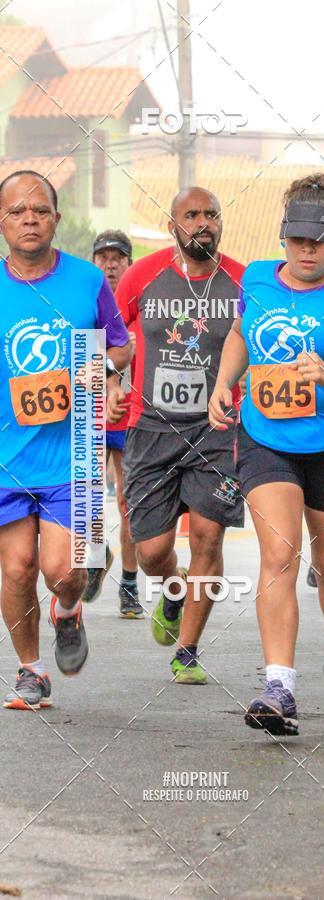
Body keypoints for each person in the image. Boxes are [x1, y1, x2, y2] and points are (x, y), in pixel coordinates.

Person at [209, 172, 324, 736]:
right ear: (283, 237)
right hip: (267, 440)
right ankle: (279, 686)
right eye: (297, 240)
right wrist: (225, 380)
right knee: (279, 554)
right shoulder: (258, 278)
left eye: (318, 240)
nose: (306, 250)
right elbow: (243, 332)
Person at [0, 170, 131, 710]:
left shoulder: (86, 281)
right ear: (2, 222)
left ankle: (69, 609)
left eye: (40, 210)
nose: (29, 219)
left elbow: (119, 349)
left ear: (55, 218)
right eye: (16, 211)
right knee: (15, 569)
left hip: (75, 450)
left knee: (65, 571)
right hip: (6, 457)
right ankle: (31, 671)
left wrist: (97, 370)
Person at [108, 187, 244, 684]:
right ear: (173, 226)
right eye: (192, 215)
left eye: (211, 213)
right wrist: (108, 381)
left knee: (207, 536)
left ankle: (187, 651)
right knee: (151, 552)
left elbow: (264, 340)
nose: (203, 222)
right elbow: (111, 336)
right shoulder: (143, 275)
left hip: (218, 432)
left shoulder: (242, 281)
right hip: (150, 429)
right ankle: (171, 589)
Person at [84, 230, 142, 617]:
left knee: (128, 500)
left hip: (129, 414)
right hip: (90, 414)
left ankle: (130, 581)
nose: (109, 264)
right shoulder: (83, 303)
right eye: (102, 257)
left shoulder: (140, 305)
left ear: (128, 263)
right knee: (85, 494)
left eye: (117, 257)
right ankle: (95, 553)